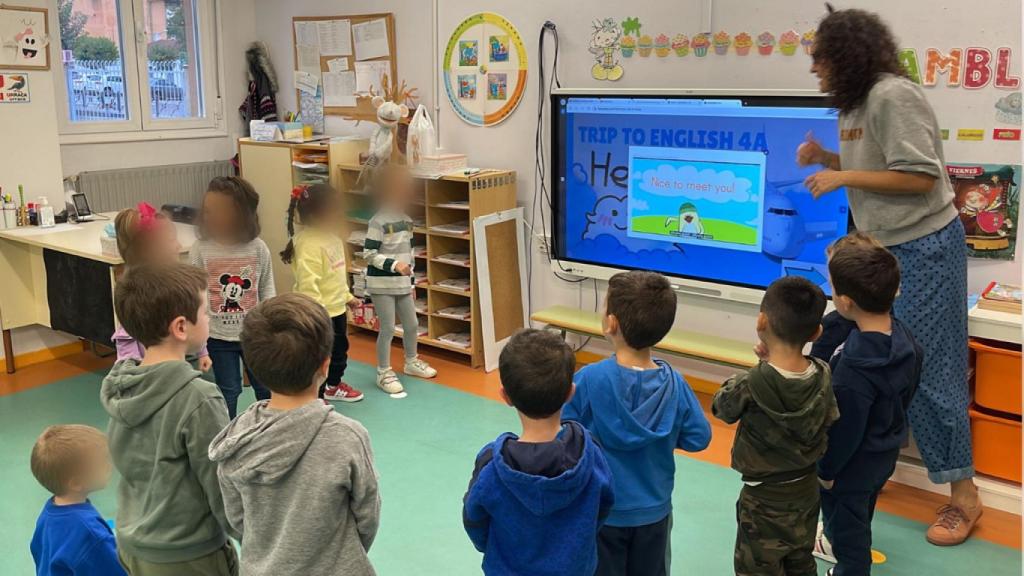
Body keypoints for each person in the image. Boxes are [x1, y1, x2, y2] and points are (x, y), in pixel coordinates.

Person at [799, 6, 979, 544]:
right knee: (851, 352)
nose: (815, 72)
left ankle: (964, 500)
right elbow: (878, 159)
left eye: (821, 61)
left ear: (847, 56)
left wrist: (842, 174)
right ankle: (865, 468)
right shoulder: (857, 102)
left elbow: (921, 177)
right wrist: (825, 156)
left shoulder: (891, 95)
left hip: (925, 249)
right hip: (883, 249)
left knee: (931, 373)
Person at [209, 293, 380, 575]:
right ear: (325, 366)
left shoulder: (236, 437)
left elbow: (236, 520)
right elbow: (367, 515)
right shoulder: (348, 437)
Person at [563, 270, 711, 576]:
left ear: (611, 323)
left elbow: (565, 430)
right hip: (654, 512)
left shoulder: (590, 379)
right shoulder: (675, 383)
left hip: (604, 511)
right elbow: (699, 437)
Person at [101, 262, 238, 575]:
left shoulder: (122, 386)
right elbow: (220, 485)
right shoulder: (199, 398)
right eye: (205, 312)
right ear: (181, 327)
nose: (210, 317)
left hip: (134, 546)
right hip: (189, 554)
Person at [712, 276, 838, 576]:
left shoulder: (749, 384)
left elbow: (722, 408)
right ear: (817, 332)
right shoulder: (824, 373)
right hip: (807, 491)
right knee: (801, 561)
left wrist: (761, 367)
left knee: (757, 568)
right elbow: (829, 415)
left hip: (763, 499)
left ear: (761, 322)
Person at [812, 233, 922, 576]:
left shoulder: (855, 370)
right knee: (861, 510)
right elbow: (907, 394)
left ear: (845, 302)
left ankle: (850, 569)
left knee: (849, 534)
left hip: (849, 465)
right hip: (884, 451)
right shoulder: (905, 339)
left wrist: (827, 471)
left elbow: (845, 429)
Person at [463, 329, 614, 576]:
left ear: (505, 396)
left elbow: (474, 519)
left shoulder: (491, 465)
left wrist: (492, 549)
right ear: (570, 393)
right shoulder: (591, 453)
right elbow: (604, 506)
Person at [190, 176, 276, 418]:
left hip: (254, 334)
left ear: (242, 214)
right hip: (217, 338)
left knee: (266, 387)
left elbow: (267, 289)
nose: (212, 217)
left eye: (221, 211)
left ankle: (269, 430)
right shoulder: (201, 250)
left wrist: (270, 328)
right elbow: (195, 295)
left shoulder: (258, 248)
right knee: (228, 390)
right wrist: (199, 343)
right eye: (208, 211)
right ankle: (225, 436)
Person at [280, 183, 362, 402]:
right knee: (317, 357)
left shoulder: (333, 239)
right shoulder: (307, 244)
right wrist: (316, 315)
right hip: (318, 314)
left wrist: (348, 297)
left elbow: (336, 275)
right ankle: (314, 395)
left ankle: (333, 386)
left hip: (336, 310)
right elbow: (308, 284)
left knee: (339, 352)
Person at [111, 202, 211, 371]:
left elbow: (192, 318)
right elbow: (126, 361)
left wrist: (202, 351)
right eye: (171, 240)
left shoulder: (174, 284)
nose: (178, 246)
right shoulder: (137, 297)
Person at [364, 165, 436, 395]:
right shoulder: (378, 221)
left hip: (403, 284)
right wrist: (394, 266)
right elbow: (369, 254)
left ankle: (411, 361)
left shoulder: (406, 220)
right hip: (382, 285)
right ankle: (383, 372)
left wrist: (411, 281)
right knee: (387, 328)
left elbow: (410, 255)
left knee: (412, 325)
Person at [29, 425, 127, 576]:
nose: (109, 465)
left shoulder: (50, 511)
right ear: (76, 483)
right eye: (100, 463)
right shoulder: (91, 534)